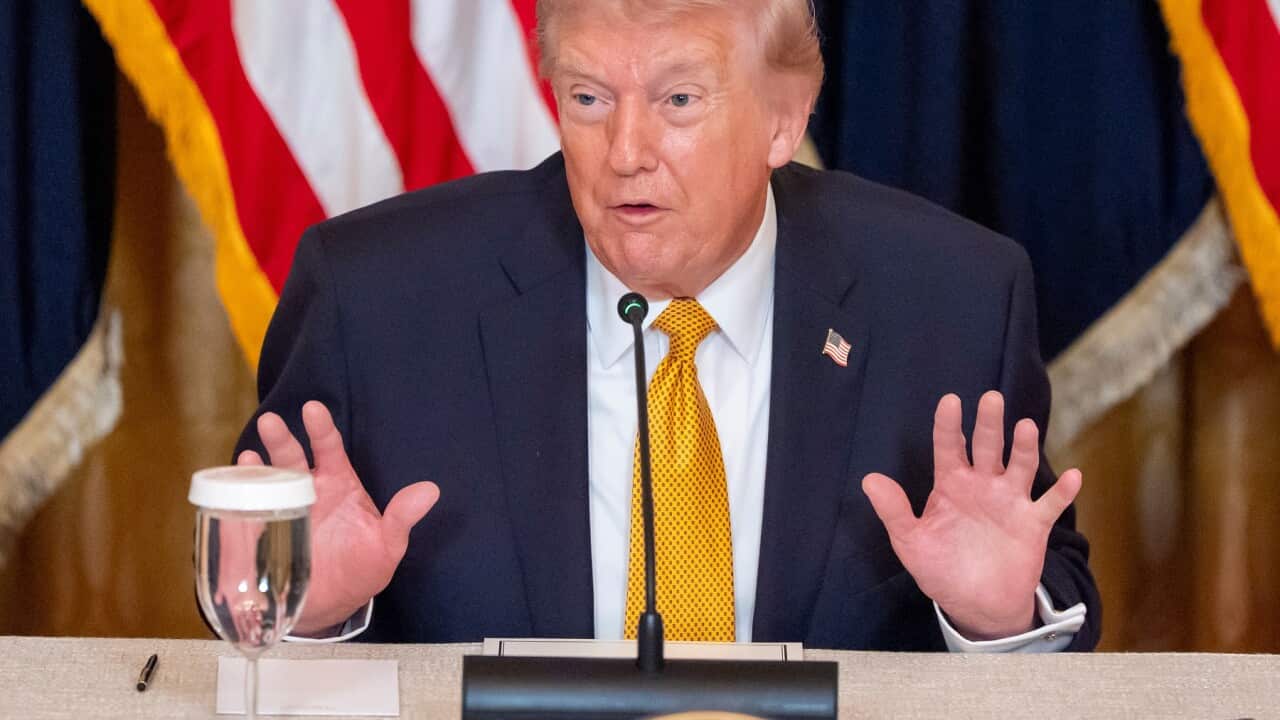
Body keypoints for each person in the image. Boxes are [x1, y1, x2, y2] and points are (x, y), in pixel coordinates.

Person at [234, 0, 1100, 651]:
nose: (625, 152)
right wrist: (307, 612)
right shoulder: (375, 301)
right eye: (587, 98)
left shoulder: (950, 300)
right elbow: (242, 604)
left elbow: (1057, 597)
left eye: (678, 99)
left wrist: (996, 617)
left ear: (783, 120)